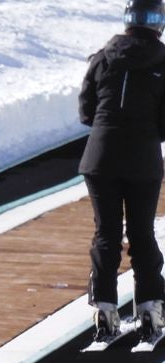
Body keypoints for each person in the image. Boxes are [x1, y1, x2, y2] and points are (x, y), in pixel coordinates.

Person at [80, 0, 165, 341]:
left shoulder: (103, 57)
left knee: (107, 232)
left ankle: (104, 307)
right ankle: (149, 308)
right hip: (142, 158)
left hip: (99, 158)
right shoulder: (162, 61)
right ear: (159, 22)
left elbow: (87, 111)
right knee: (142, 232)